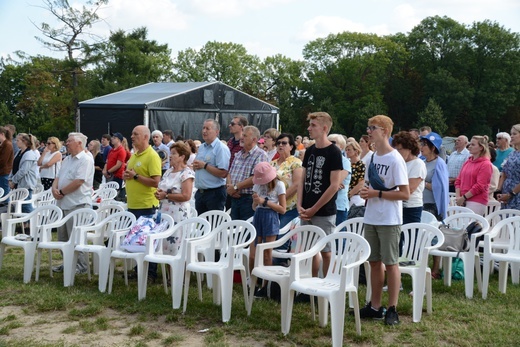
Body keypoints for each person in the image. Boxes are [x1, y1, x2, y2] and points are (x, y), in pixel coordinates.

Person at [359, 115, 409, 326]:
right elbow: (370, 186)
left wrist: (376, 194)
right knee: (374, 262)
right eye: (369, 127)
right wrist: (365, 192)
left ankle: (392, 309)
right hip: (371, 216)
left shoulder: (395, 159)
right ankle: (375, 306)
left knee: (391, 263)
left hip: (389, 219)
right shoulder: (372, 157)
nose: (369, 131)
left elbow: (405, 194)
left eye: (373, 128)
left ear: (385, 132)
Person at [297, 112, 343, 277]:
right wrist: (299, 204)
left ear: (324, 128)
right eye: (309, 125)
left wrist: (315, 208)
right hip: (306, 209)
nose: (309, 128)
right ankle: (311, 282)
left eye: (313, 125)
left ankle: (328, 282)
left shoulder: (334, 152)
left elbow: (334, 185)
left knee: (325, 250)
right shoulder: (310, 151)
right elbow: (303, 179)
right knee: (309, 249)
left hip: (324, 211)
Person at [51, 132, 94, 274]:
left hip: (77, 204)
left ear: (79, 143)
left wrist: (61, 192)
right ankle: (68, 262)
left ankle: (81, 266)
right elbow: (58, 176)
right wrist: (54, 188)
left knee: (76, 237)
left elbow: (79, 181)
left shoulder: (86, 159)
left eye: (69, 141)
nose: (66, 143)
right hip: (63, 203)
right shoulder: (67, 159)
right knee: (62, 237)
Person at [124, 125, 162, 281]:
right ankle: (138, 269)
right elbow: (133, 174)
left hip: (146, 205)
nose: (132, 136)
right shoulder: (135, 155)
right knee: (136, 240)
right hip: (133, 204)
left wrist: (135, 177)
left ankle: (150, 273)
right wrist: (128, 176)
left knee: (147, 240)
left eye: (136, 134)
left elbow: (155, 182)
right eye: (132, 133)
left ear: (146, 137)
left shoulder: (152, 156)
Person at [250, 162, 286, 297]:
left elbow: (282, 209)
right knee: (253, 254)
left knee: (266, 253)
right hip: (258, 215)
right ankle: (253, 282)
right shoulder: (257, 185)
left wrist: (265, 202)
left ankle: (266, 285)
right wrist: (255, 201)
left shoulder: (279, 185)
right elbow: (254, 207)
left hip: (271, 217)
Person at [155, 142, 195, 255]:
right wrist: (159, 193)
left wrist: (166, 195)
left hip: (178, 215)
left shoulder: (186, 173)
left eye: (173, 153)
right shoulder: (168, 172)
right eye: (170, 153)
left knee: (176, 248)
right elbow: (162, 187)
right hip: (164, 213)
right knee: (165, 247)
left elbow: (186, 195)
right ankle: (168, 272)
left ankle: (178, 272)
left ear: (182, 157)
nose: (170, 156)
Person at [226, 126, 267, 221]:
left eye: (244, 135)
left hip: (249, 199)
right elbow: (230, 173)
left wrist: (235, 187)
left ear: (254, 139)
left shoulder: (260, 155)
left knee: (245, 232)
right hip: (234, 198)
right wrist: (230, 188)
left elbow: (256, 178)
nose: (241, 137)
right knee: (233, 230)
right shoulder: (239, 154)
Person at [192, 119, 231, 215]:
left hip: (214, 193)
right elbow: (198, 166)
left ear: (216, 132)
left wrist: (205, 166)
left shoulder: (221, 148)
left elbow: (223, 173)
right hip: (200, 193)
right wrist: (195, 166)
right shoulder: (201, 147)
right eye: (203, 128)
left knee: (214, 225)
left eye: (207, 128)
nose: (204, 131)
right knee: (201, 227)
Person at [454, 136, 493, 215]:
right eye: (470, 144)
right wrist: (458, 197)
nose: (470, 146)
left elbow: (480, 185)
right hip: (462, 199)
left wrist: (463, 197)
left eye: (473, 144)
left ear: (481, 147)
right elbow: (458, 180)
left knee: (469, 225)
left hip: (476, 200)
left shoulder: (486, 164)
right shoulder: (468, 162)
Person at [271, 133, 302, 228]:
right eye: (278, 143)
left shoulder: (296, 162)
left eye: (284, 143)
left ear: (291, 146)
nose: (280, 145)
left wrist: (280, 200)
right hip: (272, 206)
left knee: (282, 237)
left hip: (289, 207)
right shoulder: (272, 163)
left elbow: (297, 184)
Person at [420, 132, 449, 221]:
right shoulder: (422, 162)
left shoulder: (439, 164)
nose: (421, 147)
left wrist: (421, 182)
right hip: (420, 203)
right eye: (421, 144)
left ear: (432, 148)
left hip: (432, 205)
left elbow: (439, 187)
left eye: (424, 145)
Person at [8, 133, 39, 214]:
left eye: (18, 140)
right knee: (20, 206)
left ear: (24, 141)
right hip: (19, 183)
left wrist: (13, 181)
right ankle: (25, 225)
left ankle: (33, 222)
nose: (16, 142)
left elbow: (23, 171)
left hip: (26, 184)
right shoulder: (19, 152)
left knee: (26, 205)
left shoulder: (29, 154)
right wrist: (10, 179)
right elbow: (14, 166)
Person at [328, 133, 351, 227]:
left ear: (341, 147)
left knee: (339, 238)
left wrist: (334, 183)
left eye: (333, 142)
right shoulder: (326, 161)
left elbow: (335, 182)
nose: (329, 144)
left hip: (339, 205)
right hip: (325, 204)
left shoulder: (345, 162)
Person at [497, 124, 520, 209]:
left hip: (516, 194)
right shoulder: (512, 153)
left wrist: (511, 194)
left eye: (514, 134)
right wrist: (499, 190)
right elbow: (504, 173)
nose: (512, 136)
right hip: (506, 194)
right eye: (511, 134)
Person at [345, 140, 366, 212]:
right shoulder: (346, 164)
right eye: (346, 150)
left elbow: (361, 183)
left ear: (356, 151)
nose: (347, 152)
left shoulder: (361, 165)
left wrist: (349, 195)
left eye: (349, 150)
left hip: (355, 197)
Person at [0, 126, 14, 199]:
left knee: (5, 195)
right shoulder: (3, 144)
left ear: (2, 134)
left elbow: (3, 160)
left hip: (4, 172)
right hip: (2, 172)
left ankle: (7, 208)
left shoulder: (7, 145)